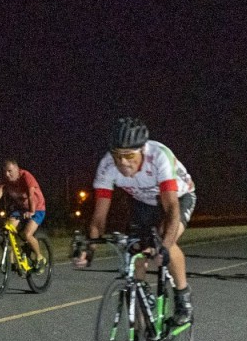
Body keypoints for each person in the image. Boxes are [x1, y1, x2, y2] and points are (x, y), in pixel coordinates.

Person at [73, 117, 197, 325]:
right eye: (117, 156)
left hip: (178, 197)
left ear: (142, 150)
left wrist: (164, 247)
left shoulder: (158, 157)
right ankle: (140, 339)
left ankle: (183, 296)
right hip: (144, 202)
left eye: (129, 155)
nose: (122, 162)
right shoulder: (106, 166)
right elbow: (98, 218)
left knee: (164, 238)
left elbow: (171, 209)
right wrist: (90, 248)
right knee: (135, 253)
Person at [0, 160, 47, 268]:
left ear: (17, 169)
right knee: (7, 230)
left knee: (27, 234)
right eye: (5, 172)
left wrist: (31, 212)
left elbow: (30, 196)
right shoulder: (5, 182)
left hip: (37, 208)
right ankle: (10, 263)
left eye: (10, 171)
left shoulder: (26, 176)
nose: (7, 174)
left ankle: (40, 258)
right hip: (20, 209)